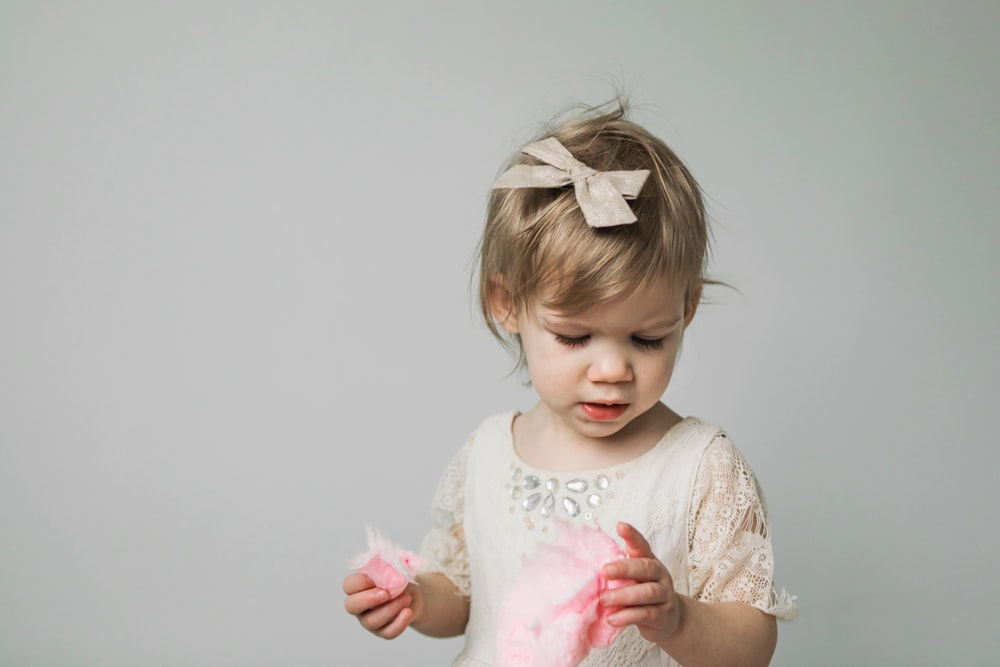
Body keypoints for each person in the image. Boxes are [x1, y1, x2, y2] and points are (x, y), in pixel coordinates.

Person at [343, 102, 797, 666]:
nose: (611, 370)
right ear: (506, 304)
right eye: (576, 337)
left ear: (687, 309)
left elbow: (752, 646)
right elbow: (462, 598)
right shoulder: (486, 455)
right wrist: (413, 598)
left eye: (648, 339)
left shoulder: (700, 468)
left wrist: (678, 618)